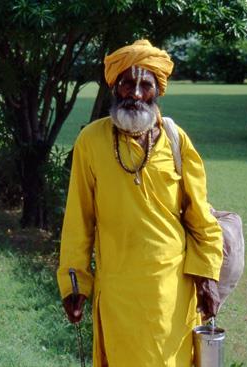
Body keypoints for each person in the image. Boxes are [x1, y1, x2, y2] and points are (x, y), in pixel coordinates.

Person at [57, 40, 223, 366]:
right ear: (115, 87)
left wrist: (207, 277)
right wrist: (75, 282)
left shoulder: (176, 139)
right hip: (118, 291)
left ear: (157, 91)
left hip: (171, 289)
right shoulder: (91, 141)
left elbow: (200, 215)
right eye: (127, 83)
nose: (135, 94)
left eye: (145, 85)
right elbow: (79, 219)